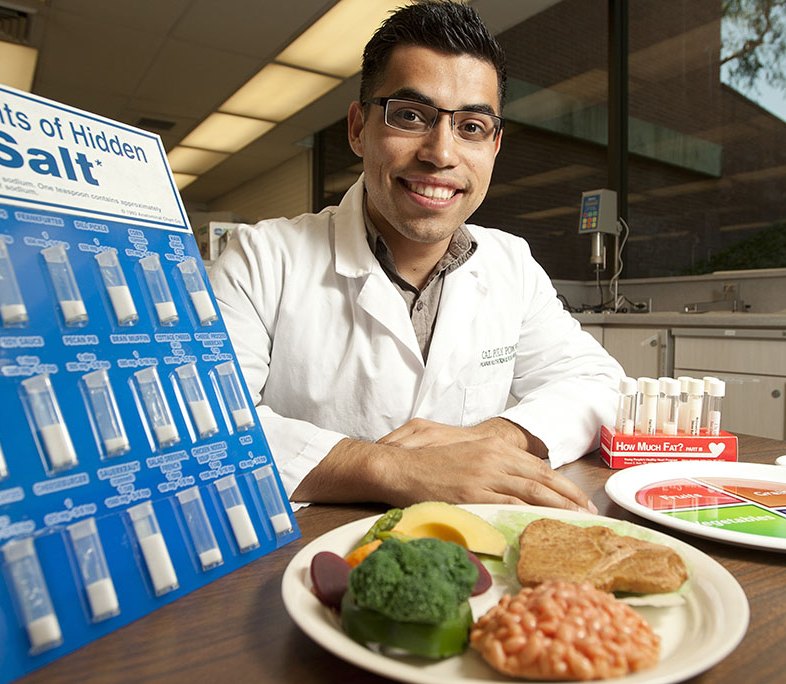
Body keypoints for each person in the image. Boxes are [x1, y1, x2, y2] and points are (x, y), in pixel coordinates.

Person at [208, 0, 624, 512]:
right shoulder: (261, 258)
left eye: (471, 126)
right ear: (359, 129)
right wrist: (393, 469)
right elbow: (206, 424)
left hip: (469, 556)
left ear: (494, 147)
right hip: (306, 560)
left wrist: (499, 435)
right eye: (410, 116)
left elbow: (598, 383)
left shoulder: (510, 264)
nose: (441, 153)